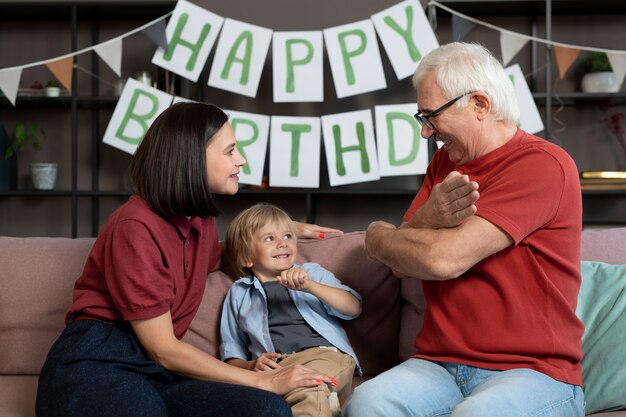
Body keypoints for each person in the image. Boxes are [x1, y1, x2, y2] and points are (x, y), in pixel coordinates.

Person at [35, 102, 343, 417]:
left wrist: (281, 232)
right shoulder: (134, 226)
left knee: (266, 410)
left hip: (156, 373)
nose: (241, 160)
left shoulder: (198, 221)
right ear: (191, 157)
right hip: (97, 363)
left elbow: (210, 258)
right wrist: (266, 381)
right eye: (230, 151)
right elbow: (163, 349)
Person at [344, 42, 585, 417]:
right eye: (421, 118)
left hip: (532, 371)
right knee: (367, 403)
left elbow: (442, 261)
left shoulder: (543, 165)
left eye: (431, 116)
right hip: (440, 365)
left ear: (479, 105)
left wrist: (379, 235)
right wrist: (400, 231)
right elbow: (401, 266)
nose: (426, 133)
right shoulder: (445, 163)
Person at [220, 202, 362, 417]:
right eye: (270, 238)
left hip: (324, 356)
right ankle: (328, 404)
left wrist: (311, 287)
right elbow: (232, 354)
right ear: (246, 258)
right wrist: (251, 366)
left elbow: (353, 308)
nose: (282, 243)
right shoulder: (239, 293)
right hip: (278, 369)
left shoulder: (312, 273)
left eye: (287, 236)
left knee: (309, 387)